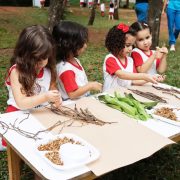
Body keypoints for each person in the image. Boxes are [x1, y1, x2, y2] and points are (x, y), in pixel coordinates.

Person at [0, 25, 62, 151]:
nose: (40, 63)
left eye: (44, 58)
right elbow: (22, 103)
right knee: (19, 146)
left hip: (39, 113)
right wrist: (45, 96)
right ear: (24, 53)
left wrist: (56, 98)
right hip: (18, 113)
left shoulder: (49, 70)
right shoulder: (16, 72)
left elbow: (52, 91)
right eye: (35, 58)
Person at [103, 23, 163, 92]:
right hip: (109, 97)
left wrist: (152, 78)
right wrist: (144, 76)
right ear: (117, 43)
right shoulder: (110, 59)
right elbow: (121, 75)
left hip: (125, 96)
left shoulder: (130, 61)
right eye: (128, 45)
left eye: (132, 45)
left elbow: (134, 80)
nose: (131, 48)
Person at [52, 21, 102, 101]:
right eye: (82, 43)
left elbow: (78, 83)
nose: (85, 46)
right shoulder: (66, 69)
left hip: (82, 100)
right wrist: (90, 86)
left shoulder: (74, 60)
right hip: (74, 105)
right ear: (69, 45)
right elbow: (72, 94)